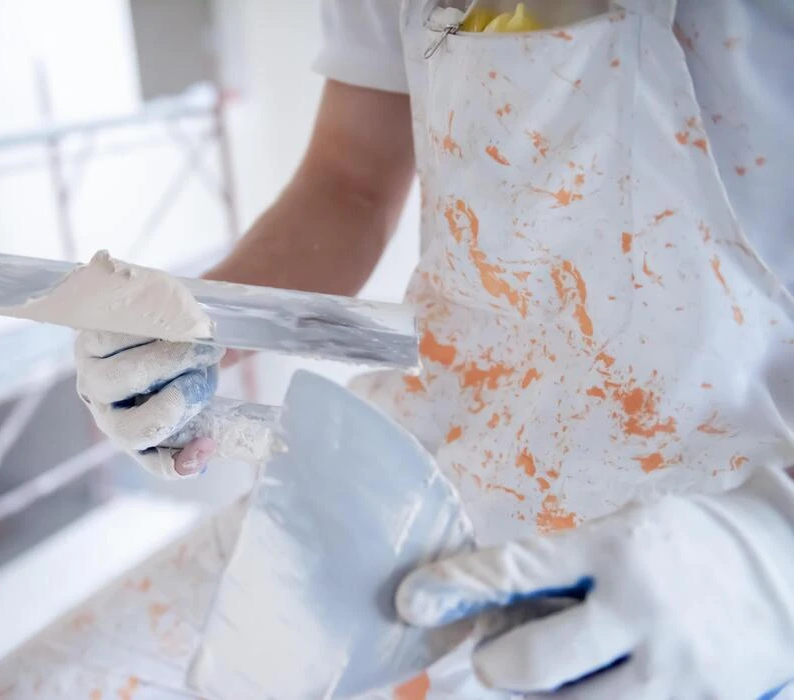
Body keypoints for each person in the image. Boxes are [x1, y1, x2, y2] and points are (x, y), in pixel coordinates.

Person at [76, 1, 794, 696]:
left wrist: (771, 545)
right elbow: (349, 180)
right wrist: (199, 319)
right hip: (414, 478)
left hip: (697, 561)